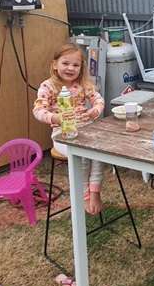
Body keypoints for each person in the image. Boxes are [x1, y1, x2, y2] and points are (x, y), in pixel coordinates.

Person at [33, 43, 106, 214]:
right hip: (62, 134)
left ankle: (95, 190)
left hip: (85, 129)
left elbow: (99, 100)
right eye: (65, 63)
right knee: (80, 156)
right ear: (55, 64)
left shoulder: (82, 84)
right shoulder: (48, 87)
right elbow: (38, 110)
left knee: (100, 150)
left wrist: (93, 112)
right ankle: (85, 195)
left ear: (81, 68)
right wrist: (54, 117)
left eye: (75, 65)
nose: (70, 68)